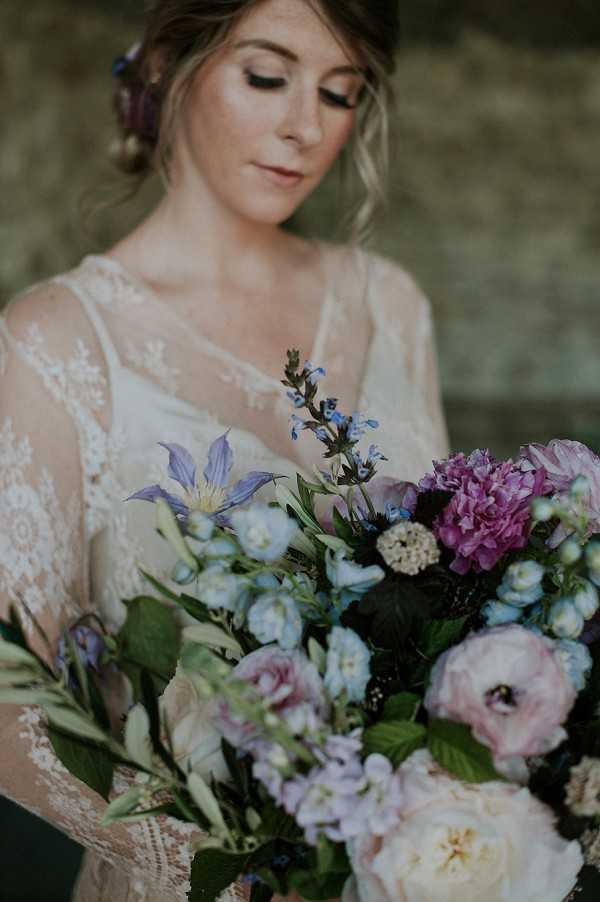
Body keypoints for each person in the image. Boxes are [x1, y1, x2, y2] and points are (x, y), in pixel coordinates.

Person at [0, 1, 449, 900]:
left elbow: (449, 599)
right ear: (170, 64)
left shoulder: (390, 303)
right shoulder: (54, 342)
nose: (304, 127)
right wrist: (223, 855)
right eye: (267, 76)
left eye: (339, 92)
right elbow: (12, 704)